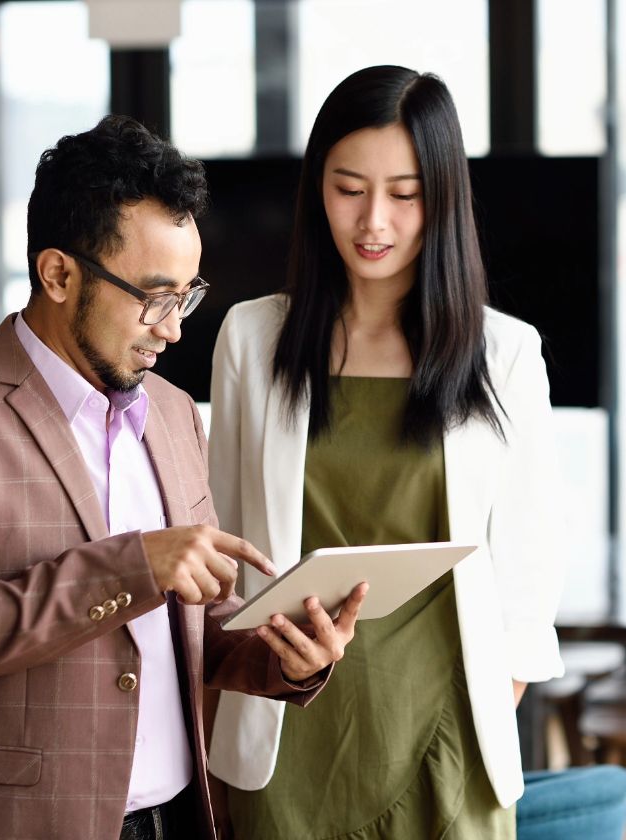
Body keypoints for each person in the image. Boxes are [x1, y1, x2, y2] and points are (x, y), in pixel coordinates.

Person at [0, 115, 366, 840]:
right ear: (58, 274)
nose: (174, 327)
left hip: (175, 819)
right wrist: (132, 567)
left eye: (186, 296)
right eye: (153, 297)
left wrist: (286, 657)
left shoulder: (174, 412)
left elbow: (194, 623)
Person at [206, 65, 566, 839]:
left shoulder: (504, 353)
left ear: (444, 199)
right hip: (285, 734)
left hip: (447, 737)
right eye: (349, 189)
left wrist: (476, 713)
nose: (374, 221)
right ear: (317, 190)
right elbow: (225, 561)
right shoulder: (252, 338)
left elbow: (527, 581)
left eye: (405, 194)